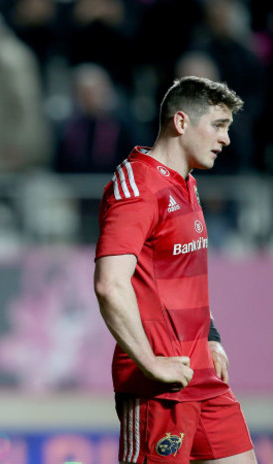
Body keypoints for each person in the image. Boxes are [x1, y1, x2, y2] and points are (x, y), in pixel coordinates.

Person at [94, 76, 257, 464]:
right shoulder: (137, 187)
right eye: (218, 125)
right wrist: (150, 363)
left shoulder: (187, 184)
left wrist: (212, 337)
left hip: (202, 374)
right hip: (159, 383)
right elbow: (109, 285)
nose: (226, 139)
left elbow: (182, 277)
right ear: (181, 123)